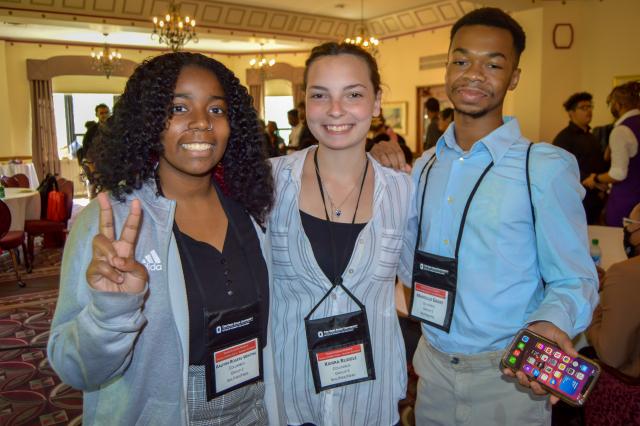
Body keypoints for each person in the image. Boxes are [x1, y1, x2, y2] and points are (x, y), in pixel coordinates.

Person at [372, 7, 598, 425]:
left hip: (508, 378)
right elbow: (406, 266)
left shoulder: (542, 167)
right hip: (433, 371)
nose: (473, 74)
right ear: (447, 68)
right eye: (461, 60)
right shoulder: (421, 169)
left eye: (492, 64)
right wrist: (375, 174)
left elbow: (575, 278)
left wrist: (549, 323)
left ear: (513, 77)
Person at [47, 52, 276, 425]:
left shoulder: (250, 208)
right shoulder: (112, 221)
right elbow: (76, 371)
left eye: (216, 110)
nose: (201, 123)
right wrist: (110, 314)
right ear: (150, 121)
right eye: (179, 108)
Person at [268, 42, 412, 425]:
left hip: (372, 402)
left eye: (353, 94)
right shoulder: (268, 183)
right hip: (289, 399)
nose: (335, 110)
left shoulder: (403, 190)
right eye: (320, 95)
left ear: (377, 102)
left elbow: (421, 280)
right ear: (304, 103)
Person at [583, 202, 640, 423]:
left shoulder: (625, 274)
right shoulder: (623, 276)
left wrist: (594, 303)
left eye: (630, 225)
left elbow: (611, 355)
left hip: (625, 402)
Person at [583, 81, 640, 227]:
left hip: (627, 202)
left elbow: (619, 174)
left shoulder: (621, 131)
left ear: (618, 104)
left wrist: (595, 178)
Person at [552, 92, 607, 224]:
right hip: (577, 198)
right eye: (583, 107)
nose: (589, 111)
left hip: (596, 196)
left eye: (590, 107)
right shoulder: (564, 138)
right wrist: (588, 179)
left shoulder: (591, 135)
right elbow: (561, 168)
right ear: (571, 112)